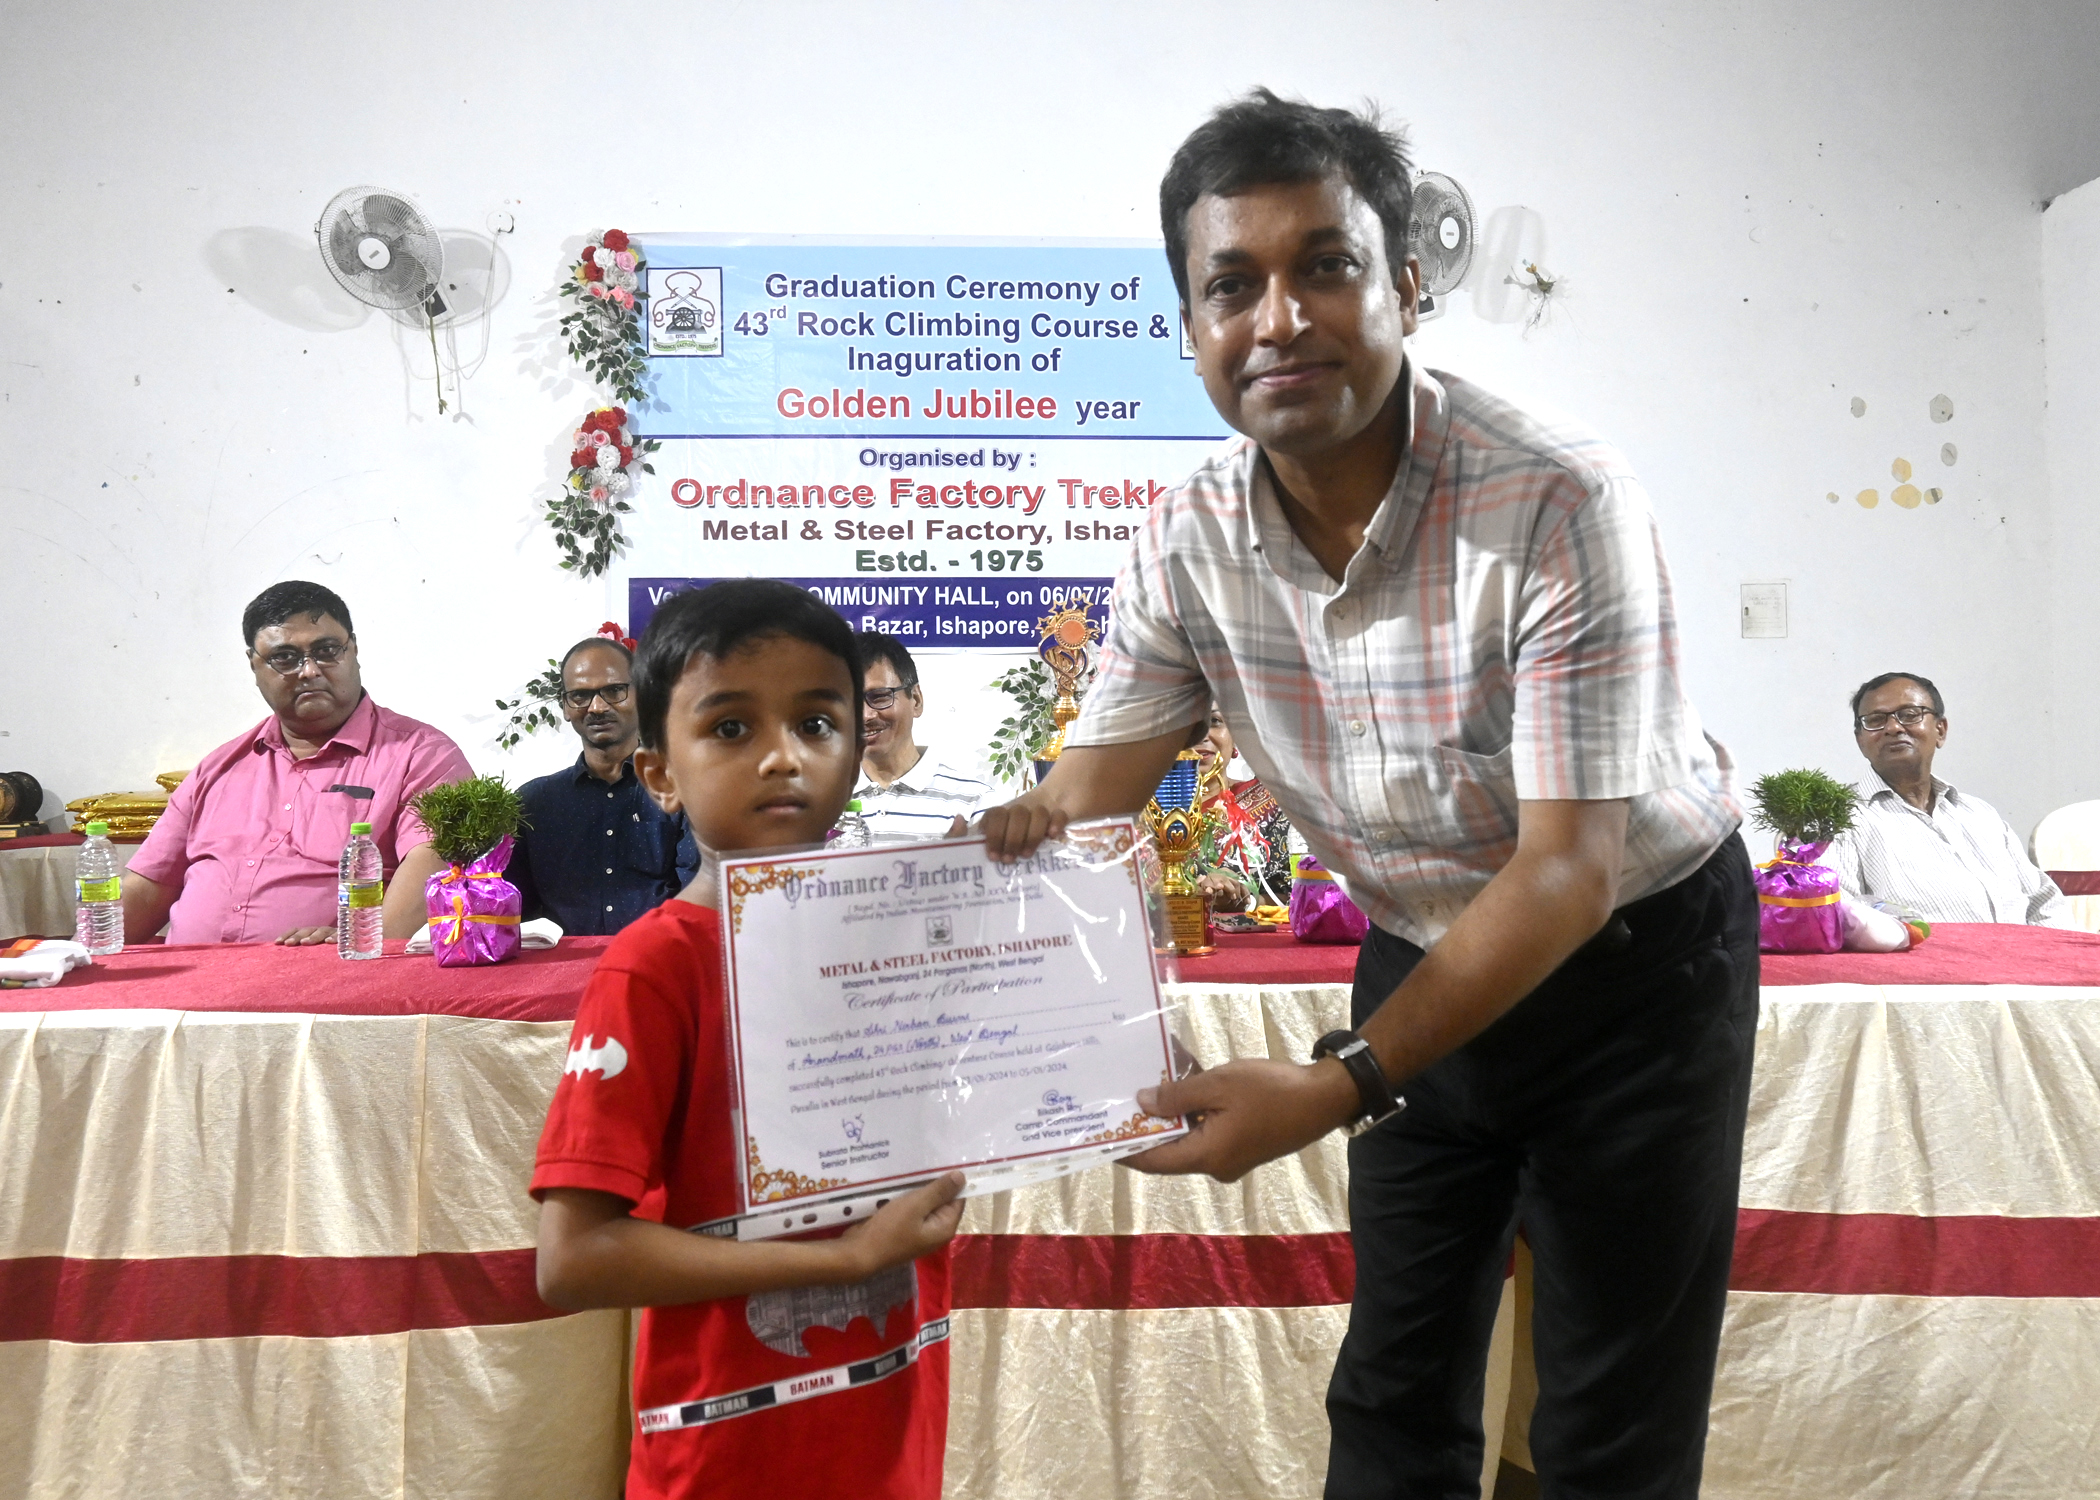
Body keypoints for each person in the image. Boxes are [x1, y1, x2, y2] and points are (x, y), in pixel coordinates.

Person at [981, 90, 1754, 1499]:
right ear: (1189, 326)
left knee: (1608, 1422)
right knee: (1393, 1391)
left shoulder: (1559, 497)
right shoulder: (1185, 537)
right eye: (1232, 286)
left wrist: (1344, 1081)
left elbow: (1568, 872)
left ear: (1406, 285)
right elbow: (1087, 793)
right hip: (1421, 946)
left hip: (1635, 967)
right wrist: (912, 934)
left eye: (1325, 267)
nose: (1278, 320)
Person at [532, 580, 964, 1500]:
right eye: (731, 728)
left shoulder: (892, 940)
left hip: (892, 1436)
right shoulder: (655, 968)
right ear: (660, 775)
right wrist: (842, 1261)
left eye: (817, 724)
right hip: (726, 1459)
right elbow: (573, 1259)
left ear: (857, 750)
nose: (783, 757)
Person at [123, 580, 472, 945]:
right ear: (254, 665)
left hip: (334, 973)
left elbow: (433, 864)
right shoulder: (217, 769)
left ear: (353, 650)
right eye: (285, 657)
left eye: (326, 650)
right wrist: (84, 952)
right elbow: (146, 890)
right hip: (192, 974)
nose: (309, 671)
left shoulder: (422, 755)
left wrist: (360, 942)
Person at [1827, 671, 2069, 926]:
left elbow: (2045, 903)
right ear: (1860, 741)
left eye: (1910, 714)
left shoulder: (1980, 814)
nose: (1894, 728)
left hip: (2026, 950)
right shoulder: (1839, 819)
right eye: (1876, 720)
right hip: (1921, 952)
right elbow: (1841, 917)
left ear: (1940, 730)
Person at [509, 634, 699, 935]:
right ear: (566, 707)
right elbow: (510, 914)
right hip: (560, 964)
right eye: (580, 696)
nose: (597, 707)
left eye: (614, 690)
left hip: (660, 957)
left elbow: (698, 903)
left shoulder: (683, 790)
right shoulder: (532, 803)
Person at [852, 632, 993, 843]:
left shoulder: (975, 804)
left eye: (879, 697)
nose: (865, 715)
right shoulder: (820, 804)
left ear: (916, 700)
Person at [1191, 705, 1295, 912]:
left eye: (1215, 721)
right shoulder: (1140, 813)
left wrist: (1245, 900)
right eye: (1185, 723)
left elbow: (1301, 894)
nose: (1201, 735)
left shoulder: (1273, 804)